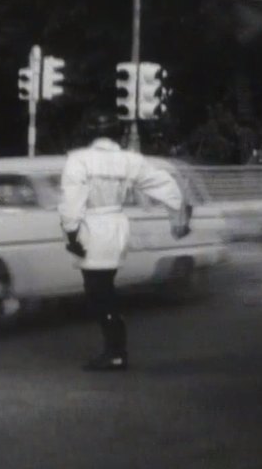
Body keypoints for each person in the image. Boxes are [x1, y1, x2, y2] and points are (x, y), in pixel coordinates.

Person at [58, 111, 191, 371]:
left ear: (90, 135)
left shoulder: (78, 160)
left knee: (99, 293)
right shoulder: (130, 160)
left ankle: (115, 352)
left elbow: (71, 201)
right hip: (117, 226)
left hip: (92, 228)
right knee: (104, 290)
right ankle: (115, 349)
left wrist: (71, 233)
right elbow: (163, 183)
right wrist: (178, 210)